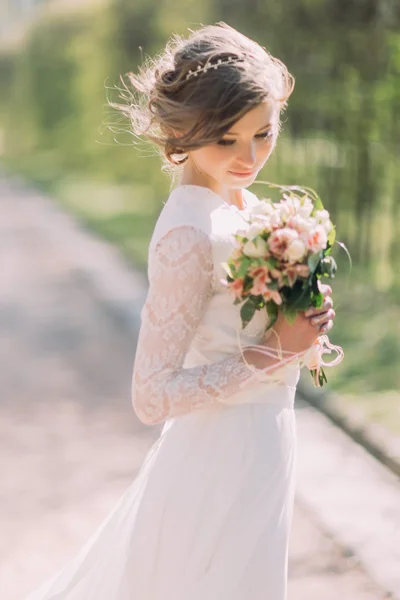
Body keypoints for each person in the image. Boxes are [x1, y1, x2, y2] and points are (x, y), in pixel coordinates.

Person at [27, 22, 337, 600]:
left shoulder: (241, 203)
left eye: (263, 133)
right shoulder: (188, 235)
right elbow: (152, 396)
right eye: (226, 140)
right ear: (179, 131)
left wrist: (303, 322)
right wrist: (276, 350)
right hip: (217, 464)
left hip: (263, 444)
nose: (249, 157)